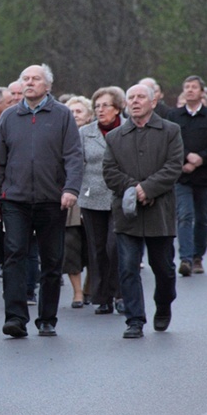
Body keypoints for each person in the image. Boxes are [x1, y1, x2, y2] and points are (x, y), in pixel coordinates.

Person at [0, 64, 83, 338]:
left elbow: (74, 156)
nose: (30, 83)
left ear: (48, 85)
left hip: (52, 200)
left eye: (36, 79)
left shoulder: (62, 115)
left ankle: (47, 317)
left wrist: (70, 189)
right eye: (25, 79)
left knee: (52, 260)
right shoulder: (8, 117)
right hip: (15, 200)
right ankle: (16, 318)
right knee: (14, 256)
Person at [103, 84, 184, 339]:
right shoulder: (115, 136)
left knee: (164, 267)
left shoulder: (170, 131)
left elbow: (173, 167)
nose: (135, 102)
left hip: (159, 211)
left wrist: (147, 190)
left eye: (140, 97)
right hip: (127, 214)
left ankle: (163, 303)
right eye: (131, 98)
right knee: (127, 266)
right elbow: (109, 172)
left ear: (152, 102)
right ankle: (134, 320)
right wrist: (134, 190)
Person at [167, 76, 207, 276]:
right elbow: (170, 142)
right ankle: (186, 259)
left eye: (194, 87)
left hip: (205, 176)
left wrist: (200, 159)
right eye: (186, 87)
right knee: (184, 216)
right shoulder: (174, 116)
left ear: (201, 92)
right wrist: (186, 158)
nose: (190, 90)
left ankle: (198, 256)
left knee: (202, 218)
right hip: (181, 176)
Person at [79, 87, 125, 316]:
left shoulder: (128, 130)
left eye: (105, 105)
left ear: (117, 108)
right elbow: (78, 163)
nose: (100, 110)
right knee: (97, 249)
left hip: (119, 196)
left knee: (114, 247)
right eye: (96, 106)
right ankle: (102, 297)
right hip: (92, 197)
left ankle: (121, 293)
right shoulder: (85, 132)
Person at [64, 96, 93, 308]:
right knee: (71, 246)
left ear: (89, 115)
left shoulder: (96, 135)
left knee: (94, 246)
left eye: (79, 111)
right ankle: (77, 292)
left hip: (94, 196)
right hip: (70, 197)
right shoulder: (61, 136)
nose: (75, 116)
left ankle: (90, 287)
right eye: (71, 112)